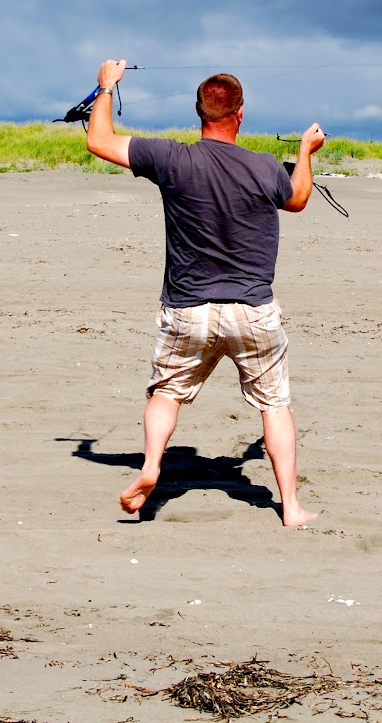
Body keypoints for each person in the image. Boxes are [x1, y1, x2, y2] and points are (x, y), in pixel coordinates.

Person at [85, 59, 323, 527]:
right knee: (274, 405)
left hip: (188, 309)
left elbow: (98, 140)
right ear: (239, 115)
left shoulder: (173, 158)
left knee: (167, 392)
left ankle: (152, 464)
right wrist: (306, 149)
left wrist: (106, 88)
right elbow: (297, 198)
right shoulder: (263, 166)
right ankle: (291, 508)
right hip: (252, 310)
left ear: (199, 113)